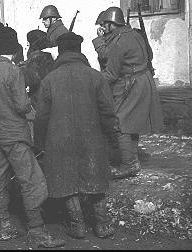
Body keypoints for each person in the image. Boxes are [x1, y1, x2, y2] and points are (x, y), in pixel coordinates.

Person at [0, 31, 64, 248]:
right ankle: (37, 231)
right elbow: (21, 106)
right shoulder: (14, 72)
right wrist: (29, 103)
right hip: (15, 135)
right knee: (31, 179)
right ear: (14, 51)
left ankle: (3, 225)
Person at [35, 33, 119, 240]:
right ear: (79, 51)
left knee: (66, 181)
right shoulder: (95, 76)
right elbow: (108, 112)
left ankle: (77, 225)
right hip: (93, 139)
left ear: (60, 52)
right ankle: (102, 224)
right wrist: (113, 138)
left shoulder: (49, 80)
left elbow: (41, 117)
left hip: (59, 141)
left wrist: (39, 143)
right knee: (95, 176)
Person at [96, 7, 162, 179]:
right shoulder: (134, 35)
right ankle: (131, 160)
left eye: (104, 24)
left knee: (119, 122)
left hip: (130, 84)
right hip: (142, 80)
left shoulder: (120, 42)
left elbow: (110, 74)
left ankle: (129, 164)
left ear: (111, 24)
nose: (102, 27)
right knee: (131, 122)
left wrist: (92, 81)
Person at [22, 29, 56, 99]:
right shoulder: (51, 53)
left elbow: (32, 79)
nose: (27, 44)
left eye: (28, 42)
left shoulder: (36, 58)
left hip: (39, 97)